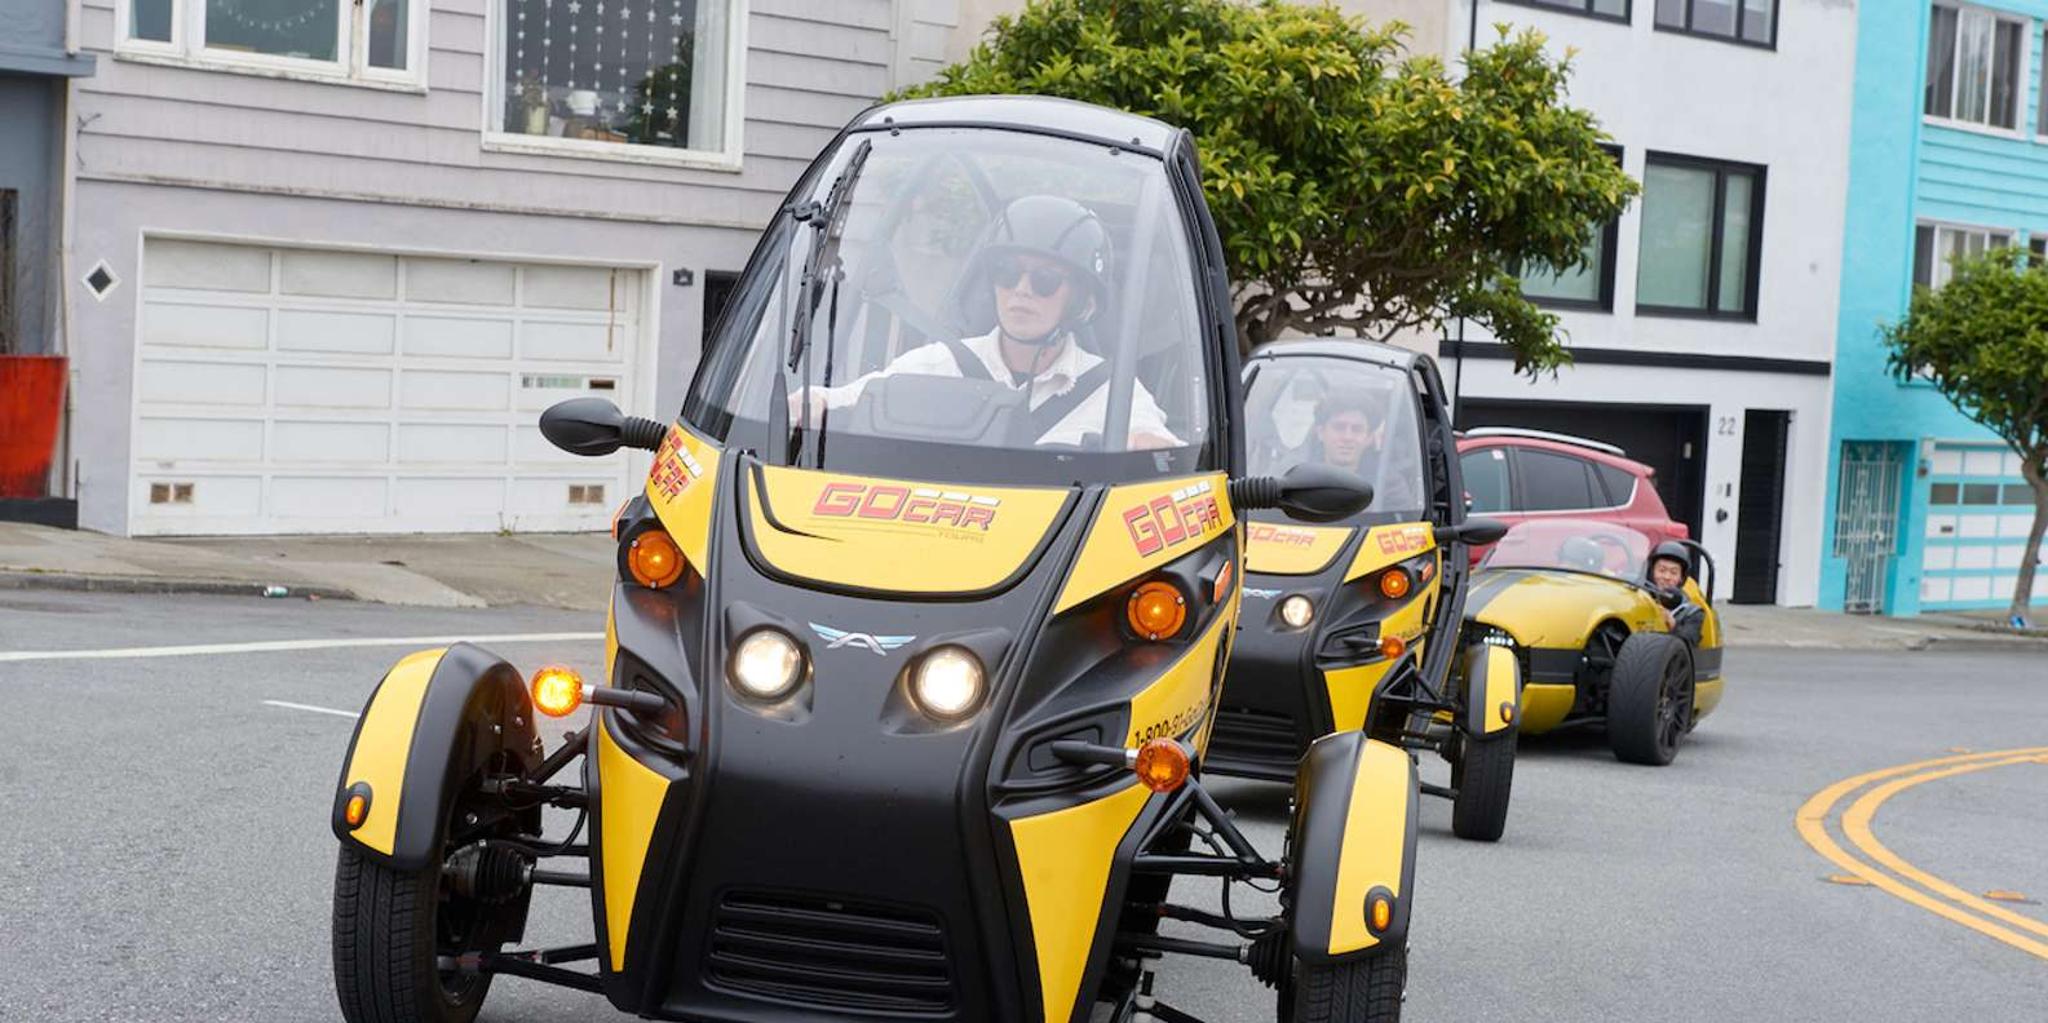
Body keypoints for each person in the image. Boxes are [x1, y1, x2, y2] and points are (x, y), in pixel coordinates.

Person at [789, 195, 1180, 450]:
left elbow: (1165, 452)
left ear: (1081, 302)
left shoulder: (1113, 394)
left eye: (1044, 280)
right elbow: (845, 399)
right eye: (1007, 274)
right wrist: (809, 404)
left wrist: (1143, 446)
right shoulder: (938, 364)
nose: (1021, 290)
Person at [1647, 541, 1706, 645]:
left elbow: (1690, 640)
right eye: (1662, 570)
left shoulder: (1692, 612)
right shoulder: (1639, 596)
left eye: (1673, 573)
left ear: (1681, 578)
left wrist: (1673, 625)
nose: (1667, 577)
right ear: (1652, 571)